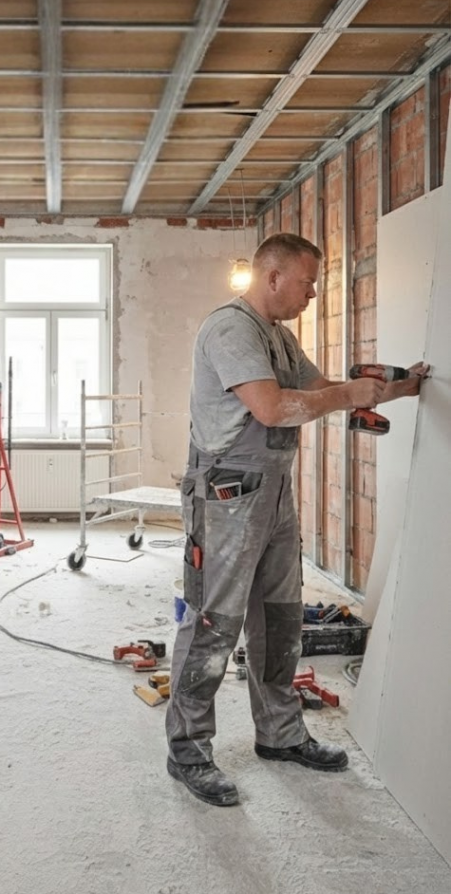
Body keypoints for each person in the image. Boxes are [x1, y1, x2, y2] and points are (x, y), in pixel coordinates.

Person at [166, 232, 428, 807]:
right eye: (308, 281)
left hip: (273, 493)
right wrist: (349, 395)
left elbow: (318, 388)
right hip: (227, 495)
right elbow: (272, 406)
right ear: (274, 277)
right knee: (214, 623)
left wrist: (398, 388)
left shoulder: (278, 337)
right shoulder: (231, 329)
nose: (313, 292)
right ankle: (187, 747)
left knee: (280, 619)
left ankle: (279, 734)